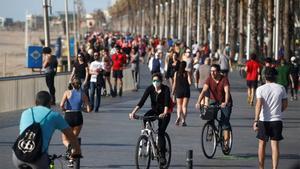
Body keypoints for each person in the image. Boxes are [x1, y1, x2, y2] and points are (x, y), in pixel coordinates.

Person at [12, 91, 81, 169]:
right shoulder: (54, 116)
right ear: (50, 102)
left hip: (18, 156)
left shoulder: (25, 113)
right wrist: (77, 152)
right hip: (38, 159)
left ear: (35, 102)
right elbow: (71, 136)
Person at [129, 73, 171, 165]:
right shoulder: (150, 88)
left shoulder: (166, 89)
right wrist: (133, 112)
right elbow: (141, 102)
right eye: (154, 81)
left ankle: (163, 156)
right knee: (145, 117)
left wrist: (164, 113)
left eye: (157, 81)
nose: (155, 82)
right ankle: (148, 137)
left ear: (161, 81)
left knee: (160, 133)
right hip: (154, 111)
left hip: (165, 113)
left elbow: (167, 103)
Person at [253, 67, 288, 169]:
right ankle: (274, 168)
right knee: (275, 145)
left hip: (263, 120)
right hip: (277, 120)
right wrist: (277, 111)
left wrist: (256, 120)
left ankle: (261, 167)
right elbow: (285, 104)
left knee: (261, 144)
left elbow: (258, 105)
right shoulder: (281, 88)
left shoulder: (260, 89)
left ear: (265, 77)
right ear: (275, 76)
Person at [196, 64, 233, 149]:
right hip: (215, 101)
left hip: (225, 102)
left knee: (224, 122)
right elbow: (204, 91)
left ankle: (226, 143)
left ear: (219, 71)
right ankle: (211, 128)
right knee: (209, 115)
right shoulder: (209, 79)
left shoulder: (224, 79)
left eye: (214, 71)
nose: (212, 73)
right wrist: (198, 102)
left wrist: (226, 102)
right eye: (211, 71)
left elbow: (227, 92)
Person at [172, 61, 191, 126]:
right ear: (185, 66)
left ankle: (178, 117)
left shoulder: (176, 73)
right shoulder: (187, 73)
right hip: (186, 90)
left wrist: (173, 91)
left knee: (179, 106)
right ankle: (183, 120)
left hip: (179, 90)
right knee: (184, 106)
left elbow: (174, 83)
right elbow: (190, 82)